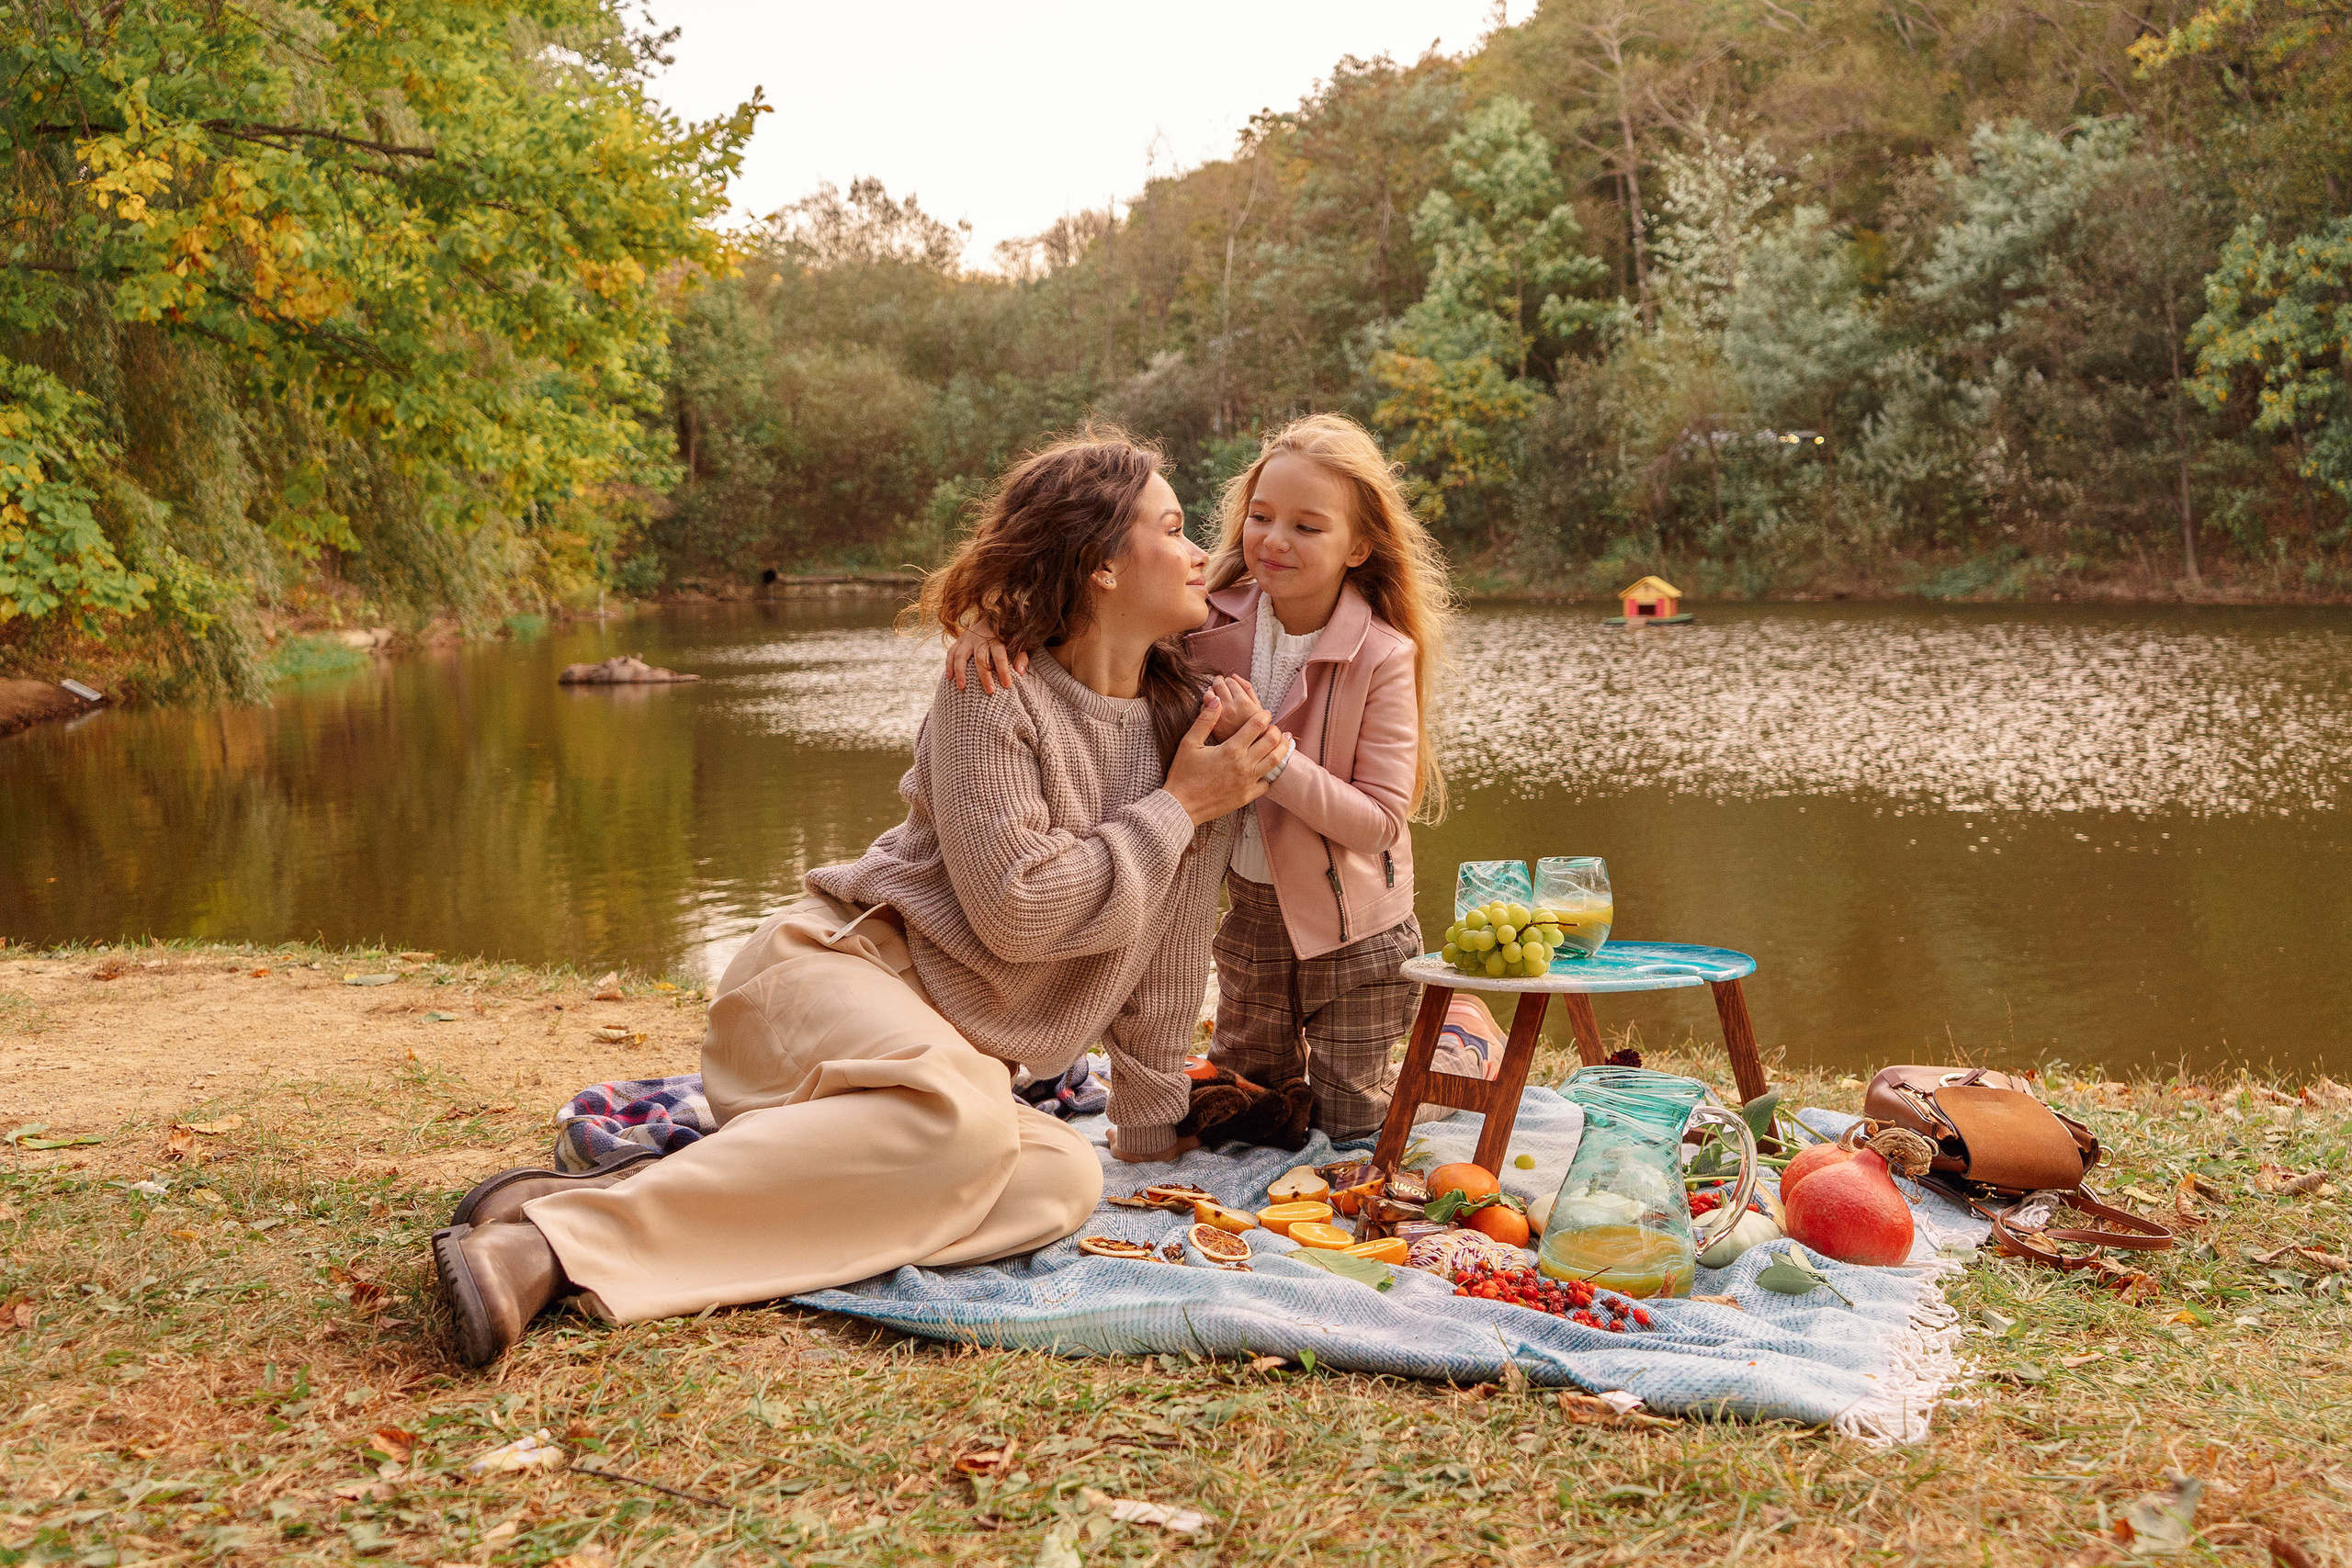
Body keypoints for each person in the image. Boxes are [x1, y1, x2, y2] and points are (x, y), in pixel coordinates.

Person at [433, 431, 1285, 1367]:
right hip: (824, 983)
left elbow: (1167, 960)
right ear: (1099, 568)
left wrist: (1151, 1130)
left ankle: (636, 1196)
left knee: (1059, 1180)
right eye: (1171, 527)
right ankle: (546, 1250)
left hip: (915, 1094)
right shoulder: (990, 686)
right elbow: (1021, 910)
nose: (1202, 548)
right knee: (964, 1114)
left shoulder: (1193, 729)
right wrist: (1177, 807)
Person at [947, 413, 1487, 1142]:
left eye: (1307, 526)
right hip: (1253, 915)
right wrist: (995, 622)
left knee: (1355, 1116)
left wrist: (1266, 755)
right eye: (1261, 516)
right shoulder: (1207, 616)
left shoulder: (1381, 652)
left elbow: (1380, 822)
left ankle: (1461, 1046)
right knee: (1258, 1103)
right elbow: (1090, 615)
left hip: (1355, 925)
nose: (1273, 540)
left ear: (1359, 545)